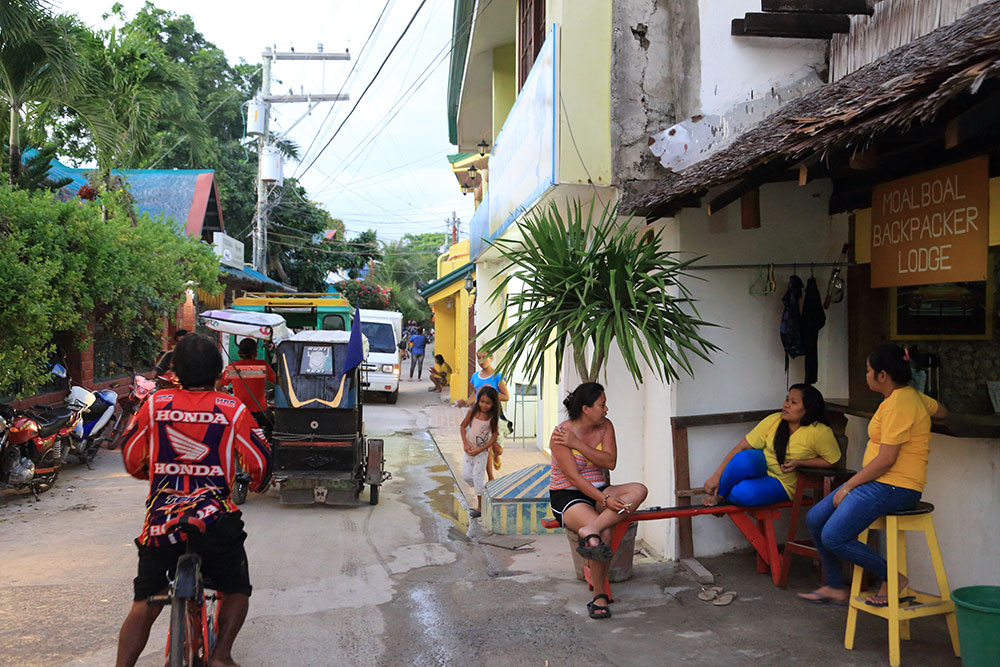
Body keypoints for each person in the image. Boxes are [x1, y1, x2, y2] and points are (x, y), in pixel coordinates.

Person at [116, 333, 271, 667]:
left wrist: (151, 474)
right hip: (214, 521)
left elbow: (130, 458)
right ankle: (221, 655)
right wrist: (257, 484)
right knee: (236, 588)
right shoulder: (232, 409)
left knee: (146, 600)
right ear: (217, 373)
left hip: (162, 524)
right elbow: (259, 464)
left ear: (175, 371)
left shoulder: (154, 405)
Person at [799, 344, 947, 606]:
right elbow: (942, 411)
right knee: (815, 518)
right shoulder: (907, 396)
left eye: (868, 371)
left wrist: (848, 487)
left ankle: (892, 576)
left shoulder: (901, 403)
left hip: (896, 487)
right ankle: (834, 586)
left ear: (882, 375)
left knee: (833, 536)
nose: (865, 375)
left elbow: (886, 460)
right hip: (879, 483)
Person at [548, 382, 648, 620]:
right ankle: (599, 596)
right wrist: (605, 499)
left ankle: (590, 528)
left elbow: (610, 462)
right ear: (586, 409)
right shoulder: (560, 434)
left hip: (600, 489)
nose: (606, 409)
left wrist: (578, 444)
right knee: (604, 534)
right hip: (568, 494)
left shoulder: (605, 426)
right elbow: (574, 477)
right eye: (601, 405)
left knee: (639, 490)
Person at [702, 384, 841, 507]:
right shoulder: (774, 420)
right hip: (763, 466)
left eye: (793, 402)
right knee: (744, 458)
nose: (786, 405)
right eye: (787, 400)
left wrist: (800, 462)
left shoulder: (819, 432)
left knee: (742, 493)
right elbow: (741, 447)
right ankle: (719, 495)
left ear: (807, 409)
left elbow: (832, 461)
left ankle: (726, 496)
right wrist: (716, 476)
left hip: (782, 483)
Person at [457, 351, 511, 481]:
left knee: (497, 449)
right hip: (479, 416)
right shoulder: (475, 376)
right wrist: (466, 402)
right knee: (486, 447)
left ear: (491, 358)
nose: (481, 361)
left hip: (495, 414)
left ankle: (496, 456)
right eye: (478, 358)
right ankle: (490, 477)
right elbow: (474, 393)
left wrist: (489, 396)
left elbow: (506, 396)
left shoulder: (497, 376)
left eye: (484, 357)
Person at [217, 338, 277, 437]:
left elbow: (218, 387)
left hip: (240, 411)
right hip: (260, 412)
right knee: (276, 428)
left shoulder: (232, 367)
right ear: (255, 352)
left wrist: (230, 397)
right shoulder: (263, 365)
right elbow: (277, 383)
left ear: (239, 353)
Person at [461, 386, 500, 519]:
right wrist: (465, 444)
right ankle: (483, 491)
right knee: (466, 476)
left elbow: (494, 437)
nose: (484, 405)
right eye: (482, 401)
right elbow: (463, 426)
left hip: (481, 453)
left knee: (477, 477)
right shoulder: (473, 411)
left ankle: (480, 507)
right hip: (469, 450)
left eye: (488, 403)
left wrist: (481, 449)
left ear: (493, 404)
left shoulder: (492, 417)